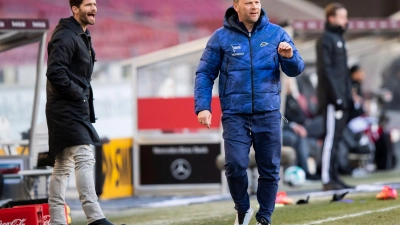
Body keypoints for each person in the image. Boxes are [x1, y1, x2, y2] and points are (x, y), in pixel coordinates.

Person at [194, 0, 305, 224]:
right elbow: (205, 74)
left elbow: (296, 69)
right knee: (234, 165)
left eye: (257, 1)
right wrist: (203, 107)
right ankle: (243, 209)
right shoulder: (220, 37)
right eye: (248, 2)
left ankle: (264, 216)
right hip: (235, 114)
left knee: (270, 169)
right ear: (236, 6)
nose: (254, 6)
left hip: (269, 112)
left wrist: (289, 57)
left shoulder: (276, 33)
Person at [46, 0, 113, 224]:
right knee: (84, 156)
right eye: (87, 4)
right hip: (65, 108)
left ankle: (57, 221)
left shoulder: (80, 34)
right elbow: (55, 72)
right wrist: (79, 95)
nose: (94, 8)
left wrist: (81, 98)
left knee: (63, 164)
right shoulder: (66, 35)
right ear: (75, 9)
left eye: (95, 4)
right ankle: (96, 219)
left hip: (71, 107)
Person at [316, 3, 353, 191]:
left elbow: (343, 74)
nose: (345, 21)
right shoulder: (325, 39)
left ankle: (335, 175)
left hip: (342, 99)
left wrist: (348, 97)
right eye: (342, 17)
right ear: (331, 18)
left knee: (337, 139)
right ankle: (326, 178)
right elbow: (326, 72)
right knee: (330, 139)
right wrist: (337, 98)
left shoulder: (339, 38)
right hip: (332, 100)